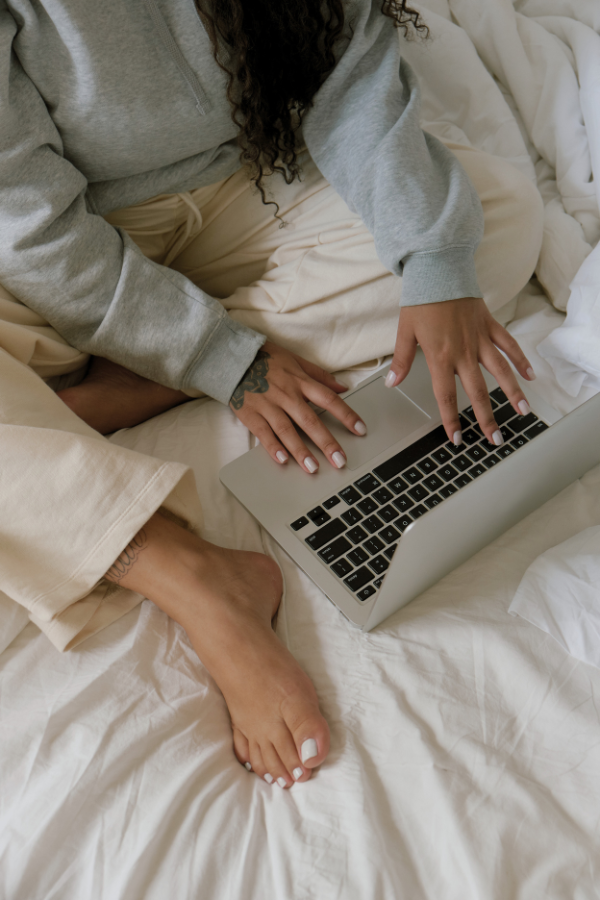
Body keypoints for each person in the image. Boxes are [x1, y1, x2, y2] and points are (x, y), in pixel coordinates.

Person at [0, 0, 543, 787]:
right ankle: (185, 572)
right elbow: (26, 223)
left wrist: (432, 260)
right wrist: (224, 359)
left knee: (493, 222)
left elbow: (349, 70)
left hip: (246, 183)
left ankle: (96, 405)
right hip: (51, 249)